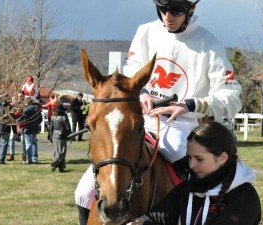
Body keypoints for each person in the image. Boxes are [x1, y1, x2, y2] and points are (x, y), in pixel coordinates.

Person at [75, 0, 242, 223]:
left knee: (180, 157)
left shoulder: (209, 44)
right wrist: (141, 92)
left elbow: (231, 98)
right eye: (163, 9)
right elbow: (132, 74)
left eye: (176, 10)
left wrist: (190, 105)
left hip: (182, 124)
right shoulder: (145, 33)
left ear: (191, 9)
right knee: (83, 193)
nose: (168, 16)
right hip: (140, 120)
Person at [127, 122, 261, 225]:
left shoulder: (245, 197)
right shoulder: (187, 189)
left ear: (222, 158)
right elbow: (157, 217)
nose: (191, 165)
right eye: (189, 157)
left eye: (199, 159)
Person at [17, 97, 43, 164]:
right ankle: (35, 158)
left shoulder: (27, 109)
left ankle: (29, 159)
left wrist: (17, 121)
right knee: (34, 143)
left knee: (29, 144)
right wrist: (36, 124)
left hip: (28, 128)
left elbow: (22, 118)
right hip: (35, 128)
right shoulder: (37, 108)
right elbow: (41, 119)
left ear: (27, 102)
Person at [49, 104, 72, 173]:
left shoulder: (52, 117)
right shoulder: (64, 117)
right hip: (62, 136)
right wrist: (70, 135)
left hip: (54, 136)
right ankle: (55, 162)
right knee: (62, 151)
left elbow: (50, 128)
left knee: (56, 152)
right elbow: (68, 127)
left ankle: (61, 168)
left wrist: (50, 137)